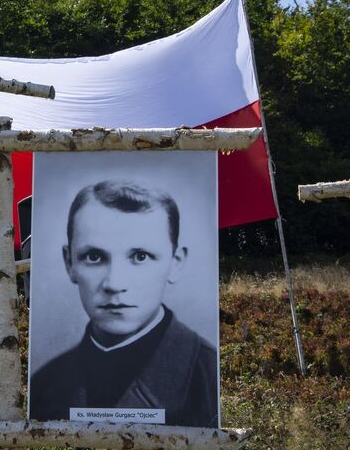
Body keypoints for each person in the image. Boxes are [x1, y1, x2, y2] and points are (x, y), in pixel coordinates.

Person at [29, 180, 219, 427]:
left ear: (176, 263)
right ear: (69, 263)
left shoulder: (209, 378)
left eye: (140, 256)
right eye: (94, 257)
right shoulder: (44, 384)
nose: (114, 283)